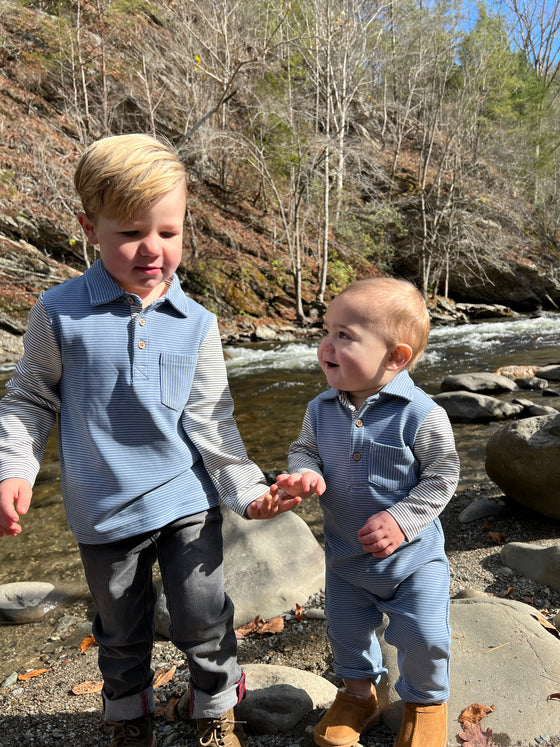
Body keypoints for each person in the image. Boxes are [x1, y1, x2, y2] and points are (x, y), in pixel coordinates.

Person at [0, 133, 301, 747]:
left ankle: (215, 710)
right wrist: (14, 471)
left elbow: (213, 420)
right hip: (101, 505)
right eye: (131, 233)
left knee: (201, 610)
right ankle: (128, 720)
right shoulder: (59, 312)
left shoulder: (197, 322)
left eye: (168, 232)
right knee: (120, 627)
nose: (152, 250)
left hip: (185, 497)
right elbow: (29, 397)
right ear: (89, 227)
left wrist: (248, 494)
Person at [276, 277, 460, 747]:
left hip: (412, 563)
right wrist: (303, 474)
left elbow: (443, 477)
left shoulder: (421, 414)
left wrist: (400, 519)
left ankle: (425, 703)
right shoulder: (319, 410)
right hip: (345, 560)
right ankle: (360, 695)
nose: (326, 346)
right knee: (347, 634)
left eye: (345, 336)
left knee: (423, 636)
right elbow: (304, 450)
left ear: (395, 358)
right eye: (327, 331)